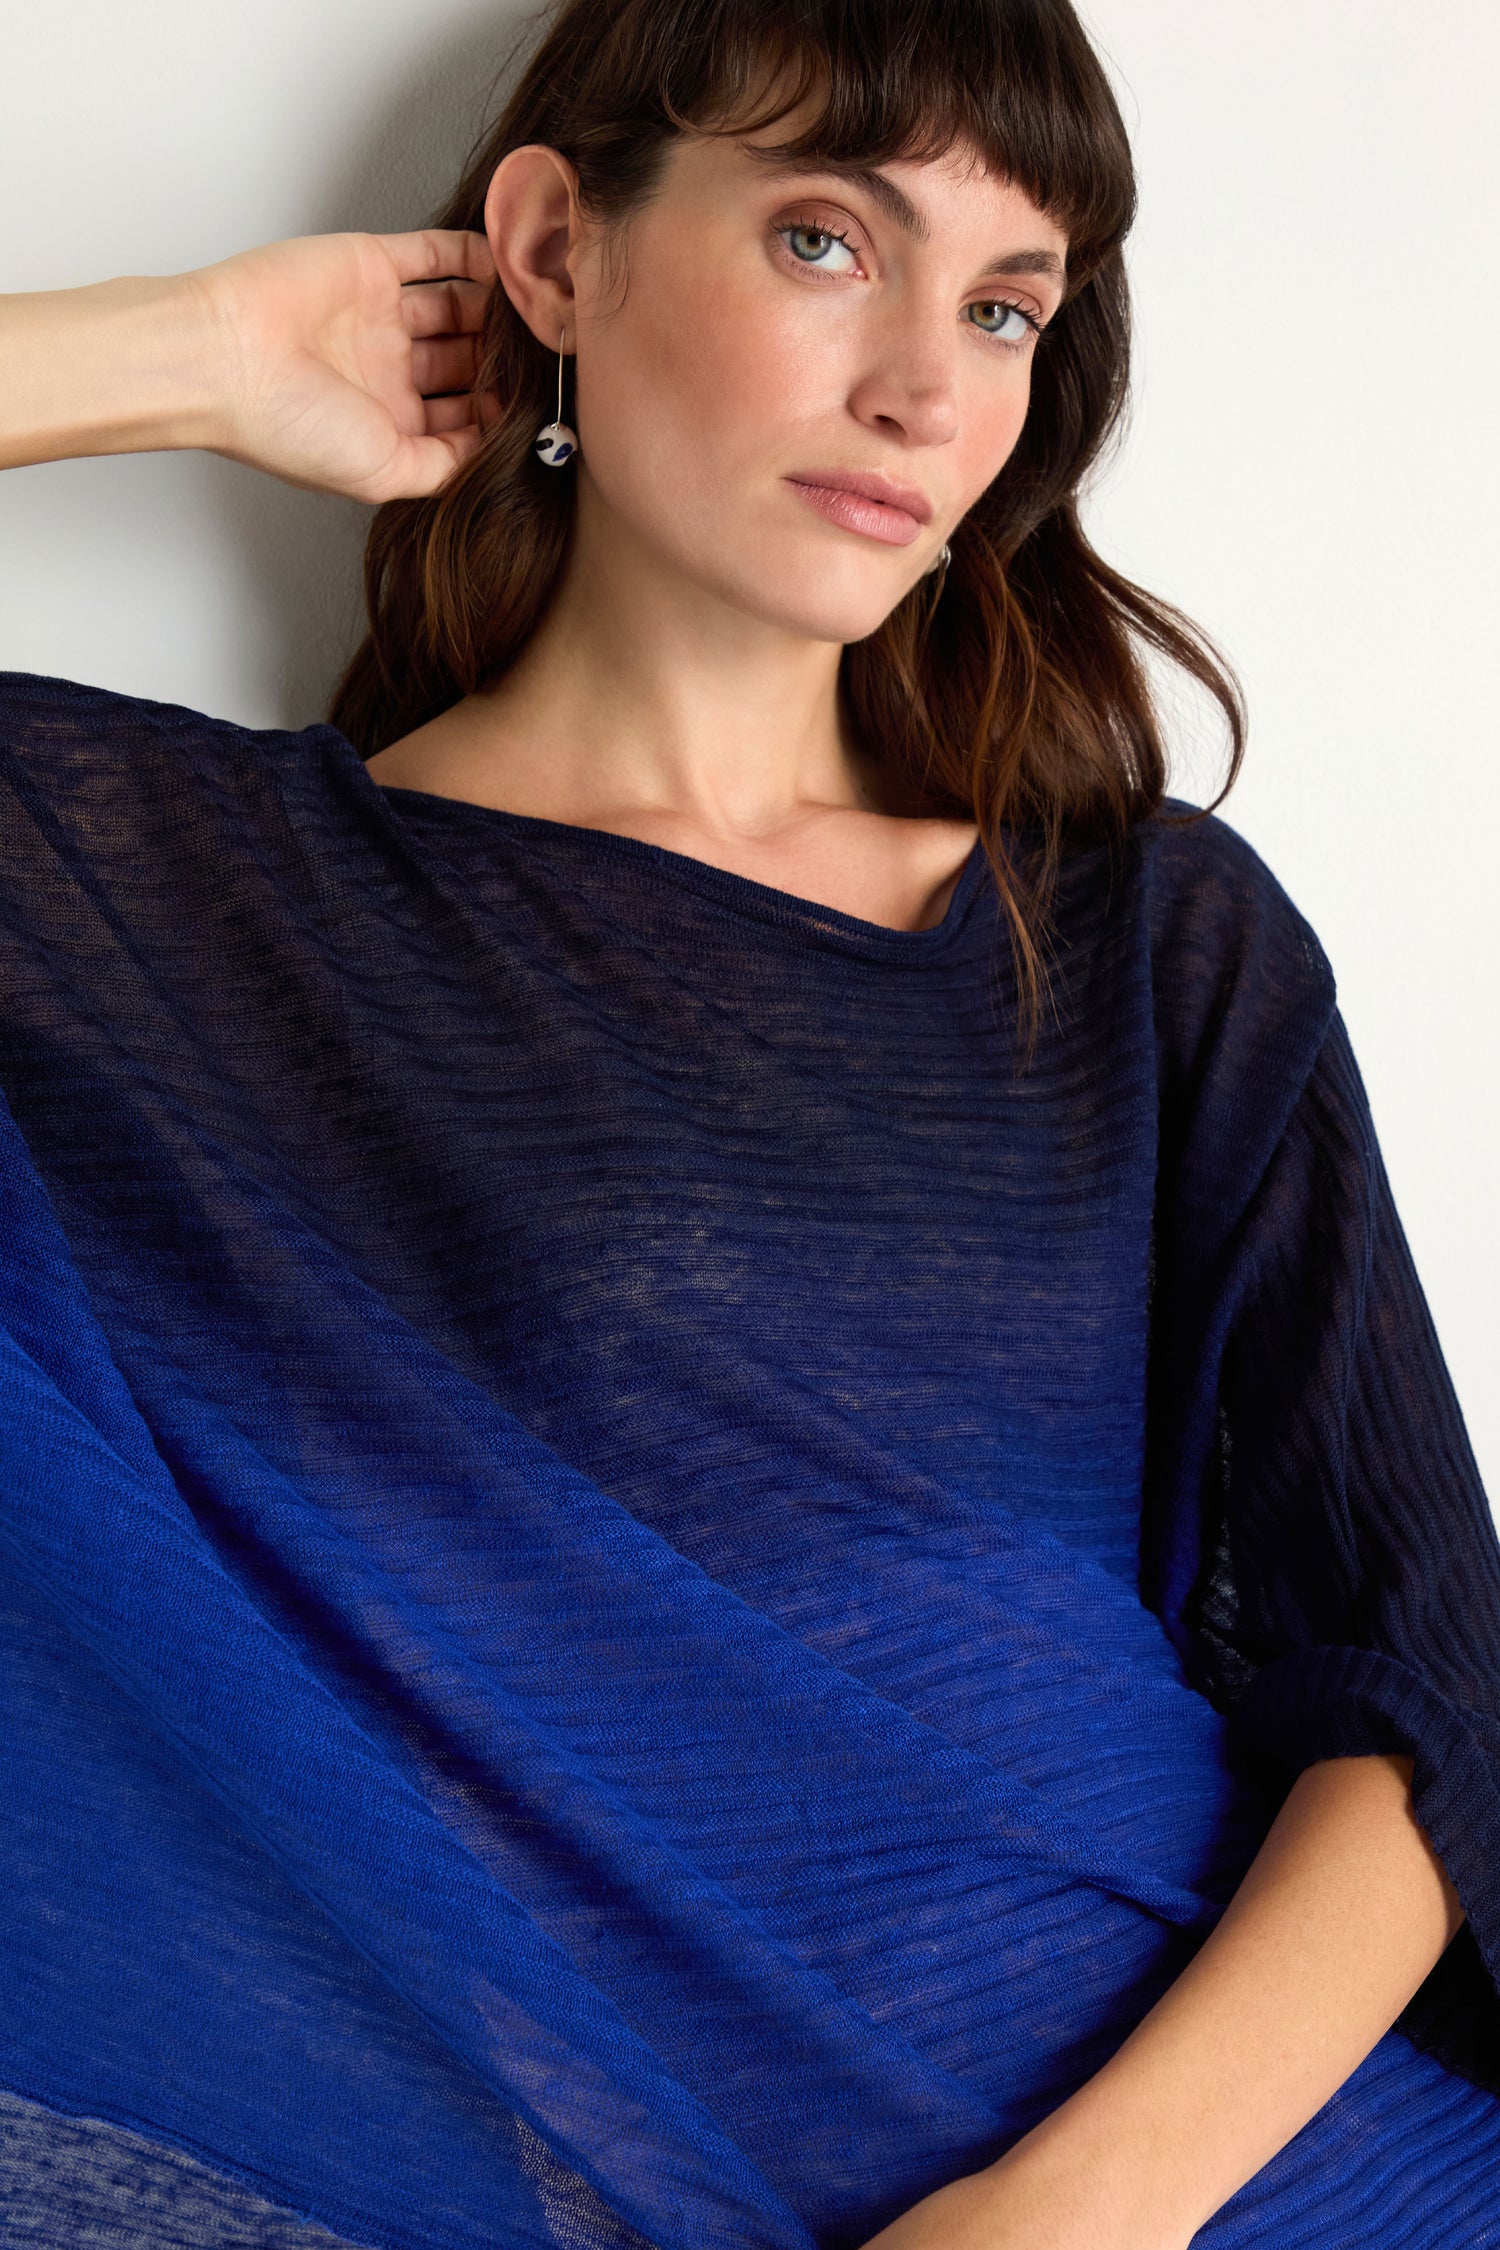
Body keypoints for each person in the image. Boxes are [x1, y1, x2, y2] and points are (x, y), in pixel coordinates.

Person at [1, 0, 1497, 2245]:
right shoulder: (160, 901)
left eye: (1004, 308)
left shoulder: (1136, 937)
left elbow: (1429, 1686)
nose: (925, 388)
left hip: (1271, 2182)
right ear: (555, 248)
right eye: (826, 240)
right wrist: (188, 351)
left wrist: (1071, 2214)